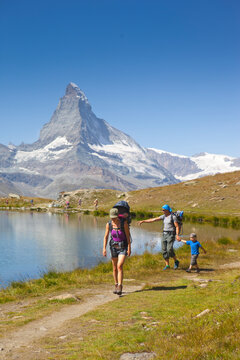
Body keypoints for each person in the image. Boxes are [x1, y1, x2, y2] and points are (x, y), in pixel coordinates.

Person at [138, 204, 181, 270]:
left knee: (169, 249)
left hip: (171, 234)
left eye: (163, 210)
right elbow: (154, 219)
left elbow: (177, 226)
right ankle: (167, 265)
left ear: (167, 210)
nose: (162, 211)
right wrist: (143, 221)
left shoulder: (173, 217)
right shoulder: (163, 216)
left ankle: (176, 261)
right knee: (164, 250)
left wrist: (177, 235)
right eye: (162, 210)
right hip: (164, 234)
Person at [103, 208, 131, 295]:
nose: (113, 219)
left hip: (123, 246)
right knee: (114, 267)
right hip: (113, 247)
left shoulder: (124, 223)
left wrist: (129, 248)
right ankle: (116, 284)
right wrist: (104, 248)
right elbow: (106, 237)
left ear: (117, 216)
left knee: (119, 266)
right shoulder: (109, 224)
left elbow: (128, 237)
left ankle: (120, 285)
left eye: (114, 217)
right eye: (111, 218)